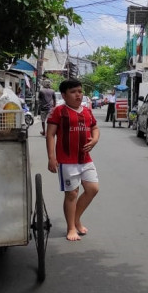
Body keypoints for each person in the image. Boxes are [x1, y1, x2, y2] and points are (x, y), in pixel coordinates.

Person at [45, 79, 100, 241]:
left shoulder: (87, 111)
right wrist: (51, 157)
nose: (78, 95)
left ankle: (76, 219)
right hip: (67, 160)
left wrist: (95, 140)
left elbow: (95, 128)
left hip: (85, 159)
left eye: (80, 91)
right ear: (64, 95)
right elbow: (50, 135)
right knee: (72, 194)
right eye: (73, 92)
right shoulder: (59, 111)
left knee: (92, 189)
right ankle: (71, 228)